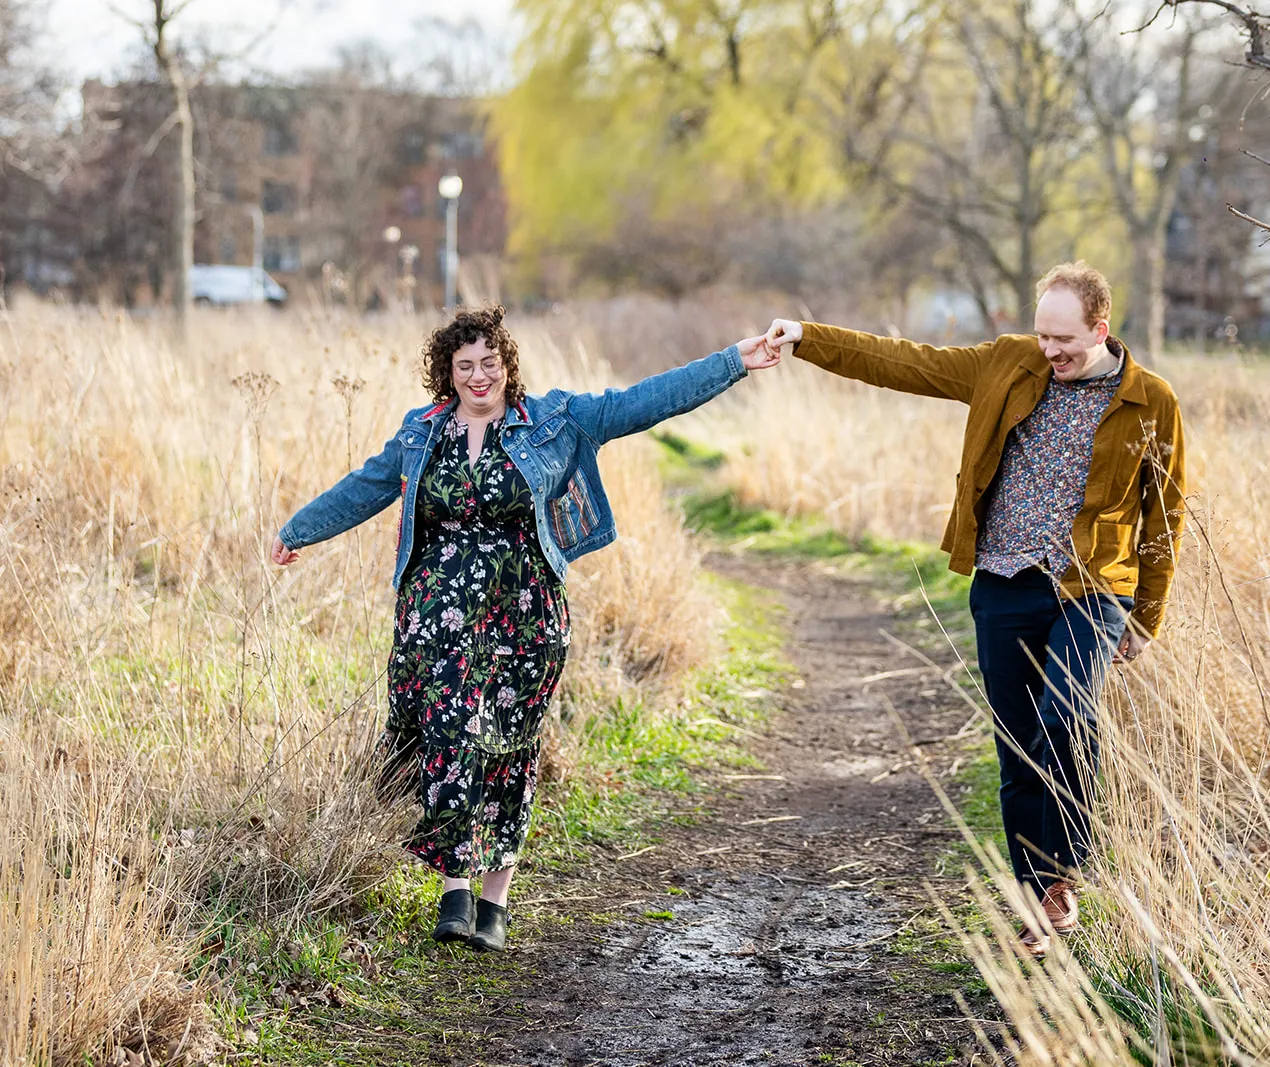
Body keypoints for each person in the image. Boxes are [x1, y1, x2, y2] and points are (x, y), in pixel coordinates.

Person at [272, 305, 780, 951]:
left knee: (509, 747)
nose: (479, 376)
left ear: (508, 365)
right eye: (464, 365)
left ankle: (495, 903)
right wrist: (299, 530)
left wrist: (735, 361)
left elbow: (646, 401)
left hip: (525, 618)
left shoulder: (555, 421)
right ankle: (455, 890)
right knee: (450, 736)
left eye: (490, 362)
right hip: (437, 621)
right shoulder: (421, 434)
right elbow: (364, 487)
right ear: (447, 372)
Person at [764, 262, 1186, 956]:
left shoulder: (1150, 401)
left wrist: (1147, 616)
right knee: (1017, 745)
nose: (1050, 350)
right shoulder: (1008, 364)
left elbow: (1164, 515)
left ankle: (1066, 871)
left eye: (1064, 340)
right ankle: (1038, 897)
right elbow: (905, 363)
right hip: (1004, 580)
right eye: (1043, 334)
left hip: (1091, 584)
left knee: (1065, 715)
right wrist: (809, 337)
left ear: (1101, 329)